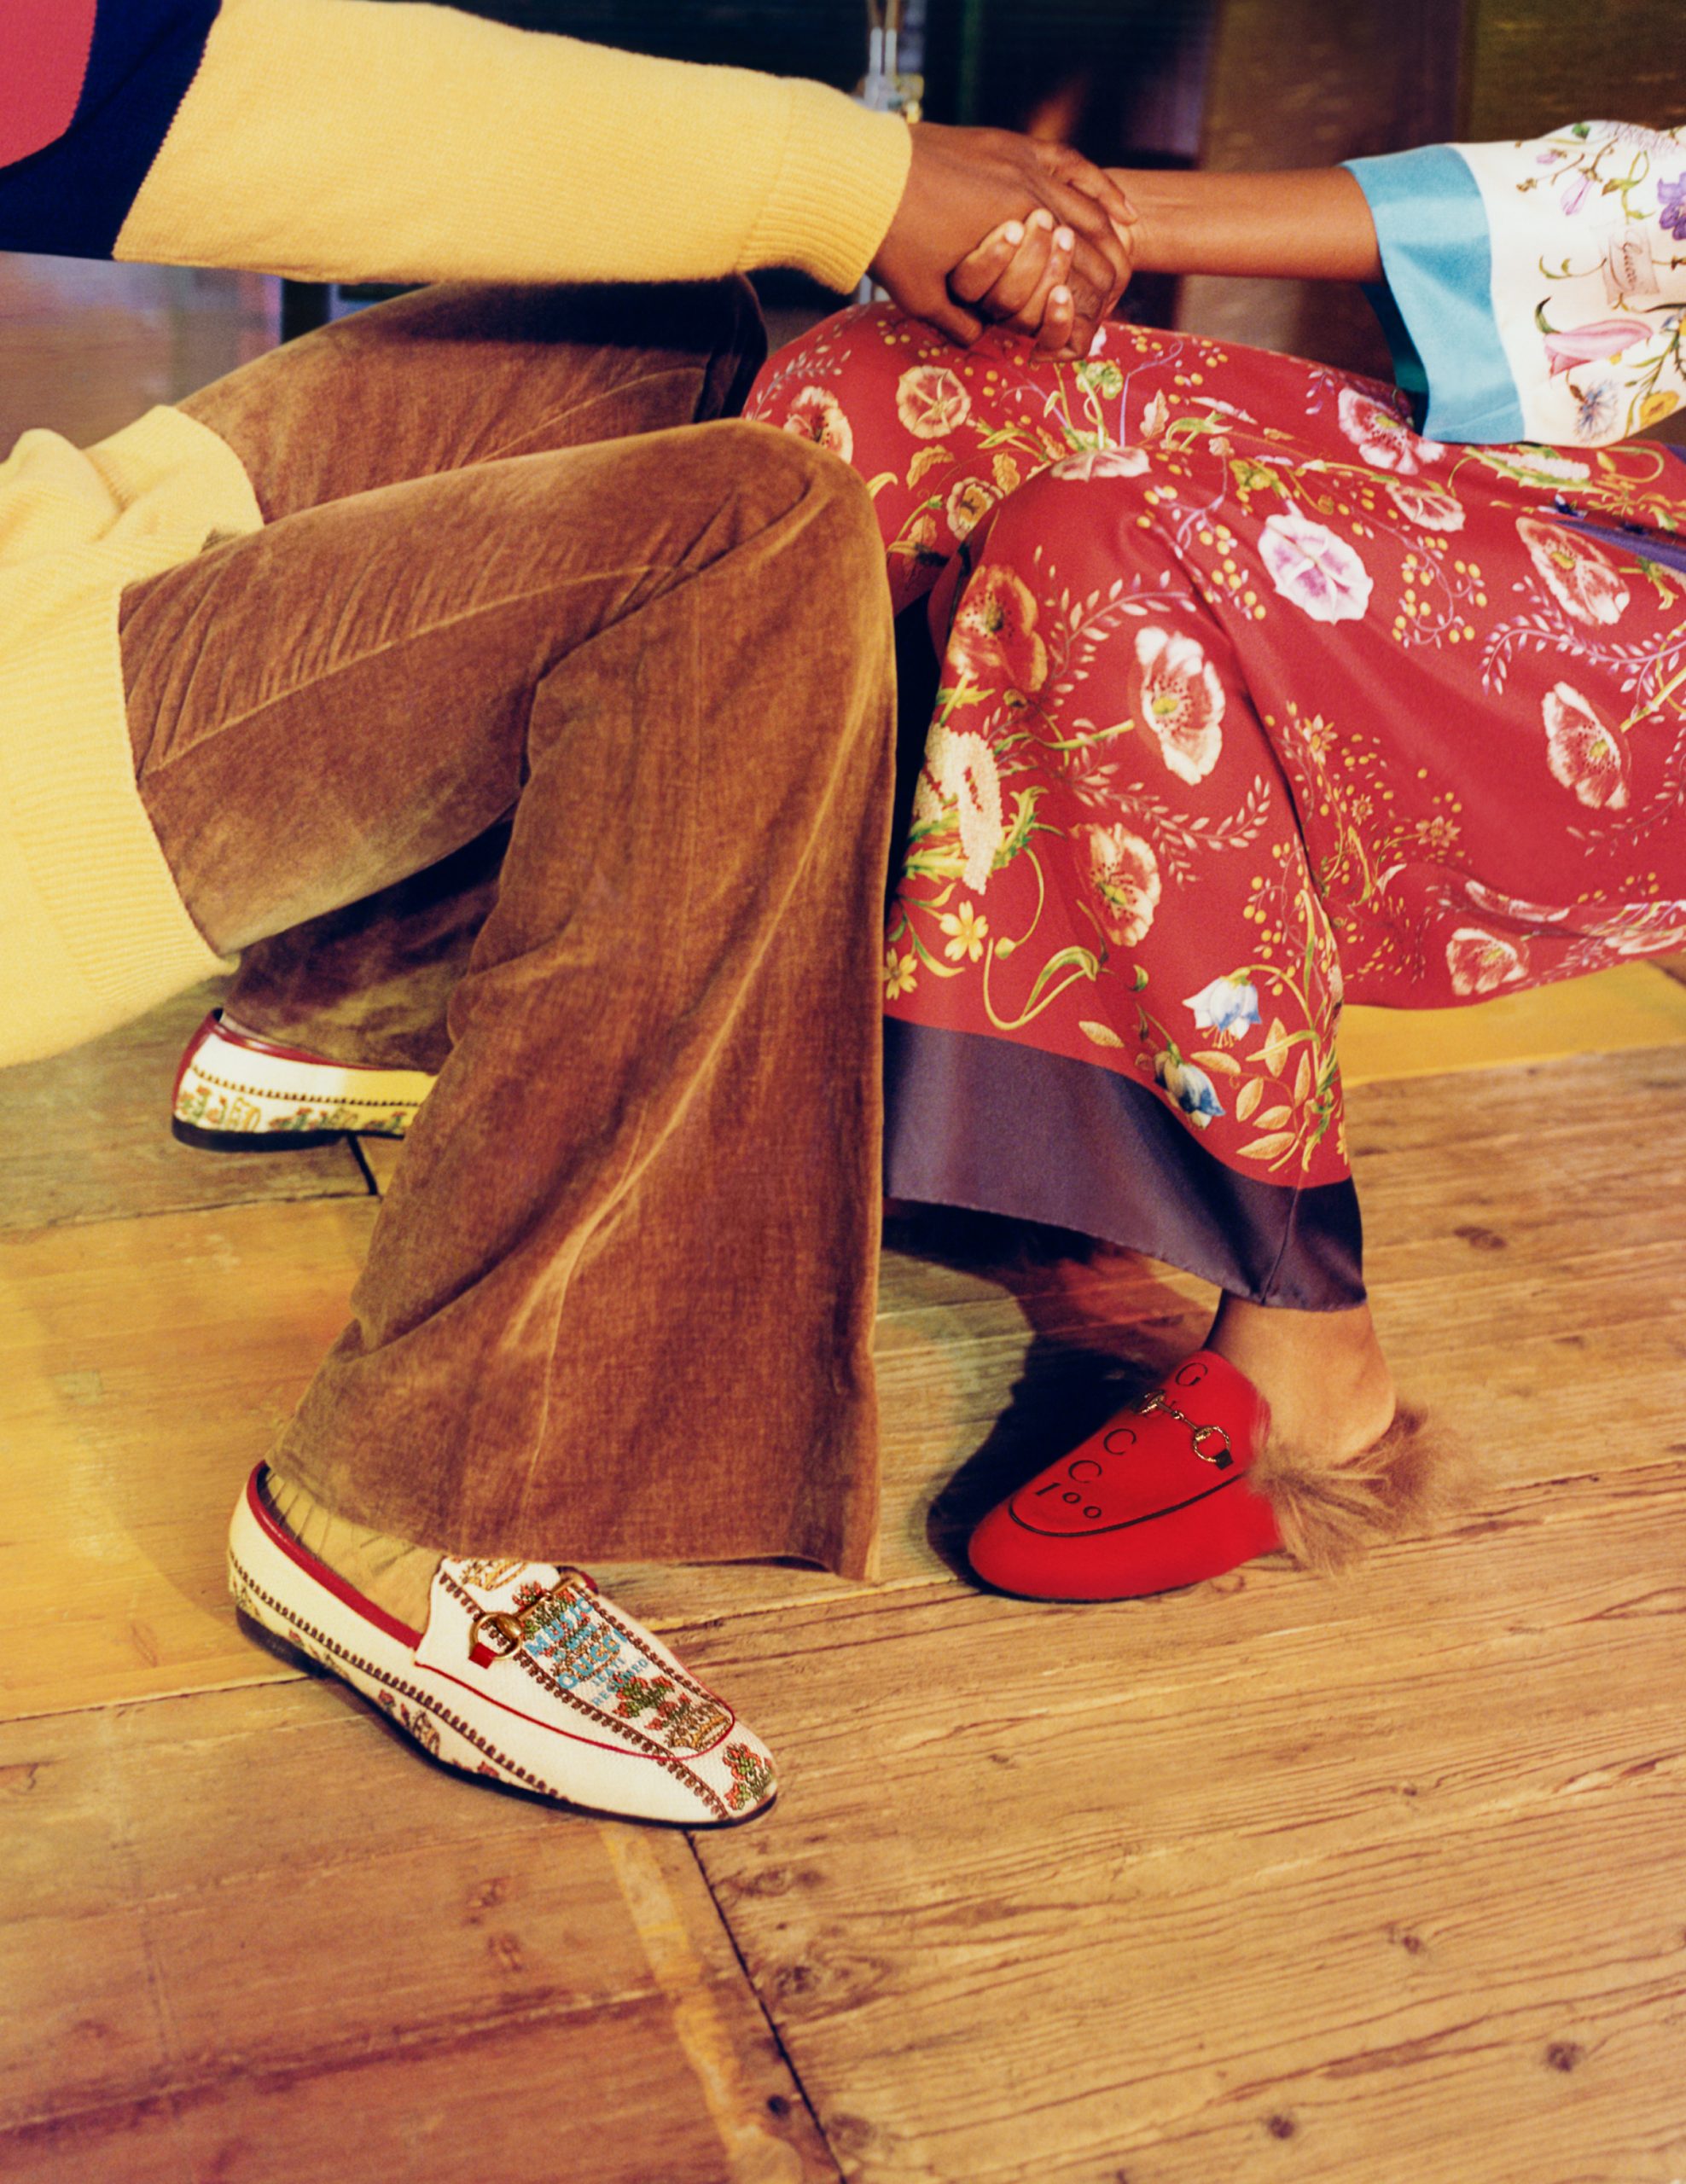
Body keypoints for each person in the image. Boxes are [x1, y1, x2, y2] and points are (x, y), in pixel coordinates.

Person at [1, 0, 1137, 1821]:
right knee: (746, 546)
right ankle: (418, 1501)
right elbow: (216, 101)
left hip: (36, 559)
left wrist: (859, 188)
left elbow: (160, 70)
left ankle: (348, 1004)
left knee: (672, 330)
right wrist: (862, 173)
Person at [744, 120, 1686, 1600]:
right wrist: (1052, 219)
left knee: (1102, 550)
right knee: (878, 391)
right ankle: (834, 1069)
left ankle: (1312, 1351)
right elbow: (1622, 209)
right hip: (1636, 513)